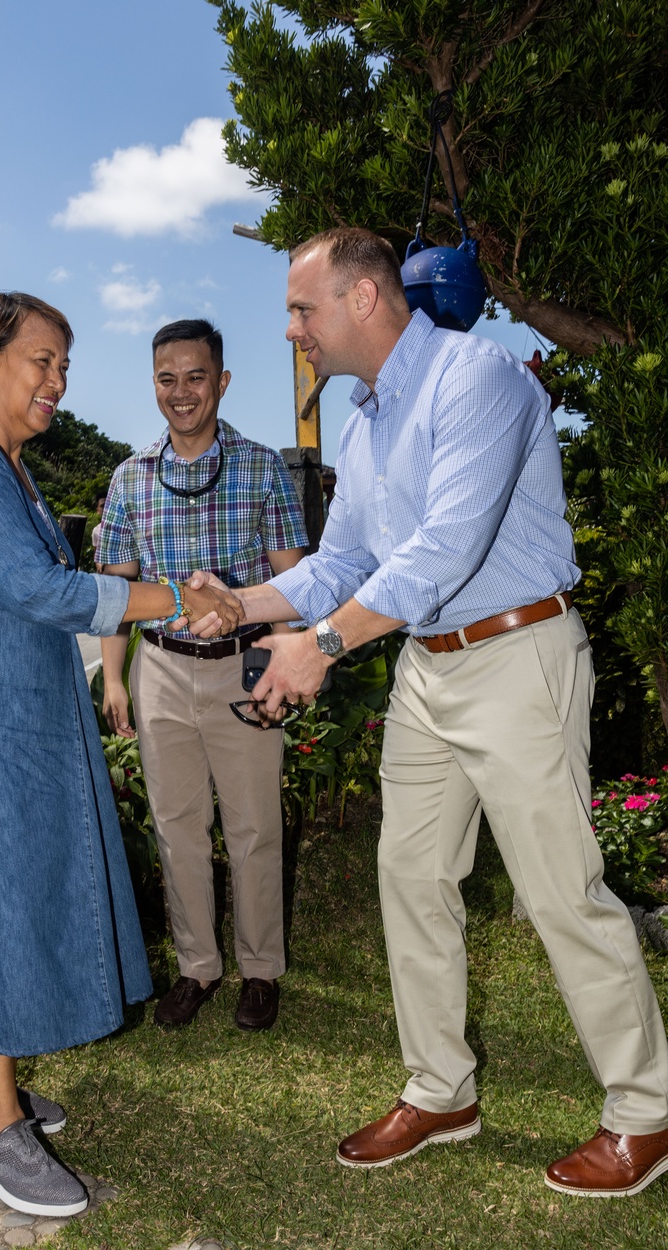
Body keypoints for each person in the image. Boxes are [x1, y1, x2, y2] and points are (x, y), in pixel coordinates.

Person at [188, 227, 668, 1197]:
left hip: (517, 655)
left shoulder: (476, 380)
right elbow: (345, 563)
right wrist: (244, 605)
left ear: (364, 299)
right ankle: (441, 1087)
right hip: (427, 666)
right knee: (409, 875)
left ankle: (644, 1111)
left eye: (301, 308)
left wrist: (320, 645)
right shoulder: (363, 419)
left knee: (558, 891)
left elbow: (444, 547)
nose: (291, 330)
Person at [0, 293, 241, 1219]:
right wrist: (178, 600)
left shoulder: (4, 462)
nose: (58, 382)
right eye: (41, 361)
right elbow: (39, 588)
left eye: (66, 365)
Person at [98, 319, 307, 1032]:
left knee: (253, 826)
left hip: (242, 668)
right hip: (159, 669)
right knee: (177, 826)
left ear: (221, 382)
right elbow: (115, 593)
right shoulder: (130, 476)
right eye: (167, 378)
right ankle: (197, 968)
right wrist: (116, 678)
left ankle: (259, 970)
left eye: (195, 377)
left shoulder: (260, 468)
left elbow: (293, 581)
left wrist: (284, 664)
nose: (181, 392)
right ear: (153, 384)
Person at [91, 487, 107, 573]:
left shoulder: (122, 528)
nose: (105, 508)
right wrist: (99, 565)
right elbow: (96, 553)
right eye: (102, 506)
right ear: (98, 510)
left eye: (108, 504)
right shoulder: (96, 531)